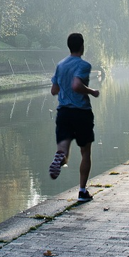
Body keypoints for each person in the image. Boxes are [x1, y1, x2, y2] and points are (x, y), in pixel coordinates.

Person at [49, 33, 99, 202]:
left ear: (69, 46)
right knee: (85, 152)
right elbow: (77, 85)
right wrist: (92, 91)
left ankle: (60, 158)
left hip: (63, 112)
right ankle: (82, 191)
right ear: (82, 46)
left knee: (63, 151)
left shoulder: (60, 65)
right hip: (81, 112)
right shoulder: (84, 65)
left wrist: (64, 88)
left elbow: (54, 90)